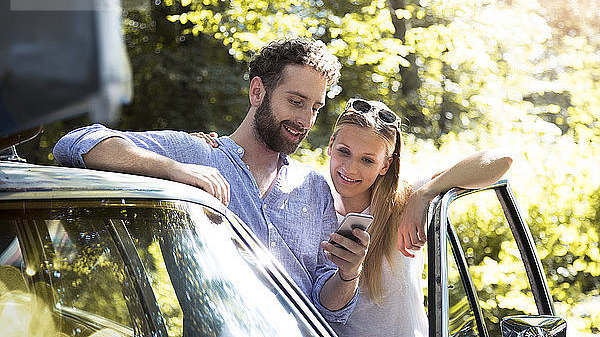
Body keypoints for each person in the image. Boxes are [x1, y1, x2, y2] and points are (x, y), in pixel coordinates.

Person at [52, 37, 367, 324]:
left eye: (315, 108)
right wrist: (174, 169)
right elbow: (77, 143)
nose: (306, 120)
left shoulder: (314, 188)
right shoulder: (198, 155)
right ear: (258, 92)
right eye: (296, 102)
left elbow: (327, 310)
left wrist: (349, 273)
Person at [325, 98, 513, 336]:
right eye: (344, 152)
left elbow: (501, 160)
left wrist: (425, 193)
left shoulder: (402, 201)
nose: (350, 168)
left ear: (385, 165)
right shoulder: (313, 205)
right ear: (331, 145)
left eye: (367, 160)